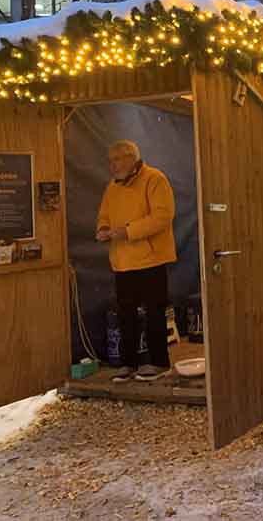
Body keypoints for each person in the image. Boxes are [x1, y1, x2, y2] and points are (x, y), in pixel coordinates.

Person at [96, 140, 176, 383]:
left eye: (116, 160)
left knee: (154, 313)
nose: (112, 166)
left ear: (131, 158)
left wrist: (128, 231)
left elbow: (163, 216)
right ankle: (128, 364)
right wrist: (104, 229)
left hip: (152, 259)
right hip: (122, 261)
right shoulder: (112, 186)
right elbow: (104, 214)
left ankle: (160, 363)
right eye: (110, 161)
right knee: (125, 315)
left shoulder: (155, 179)